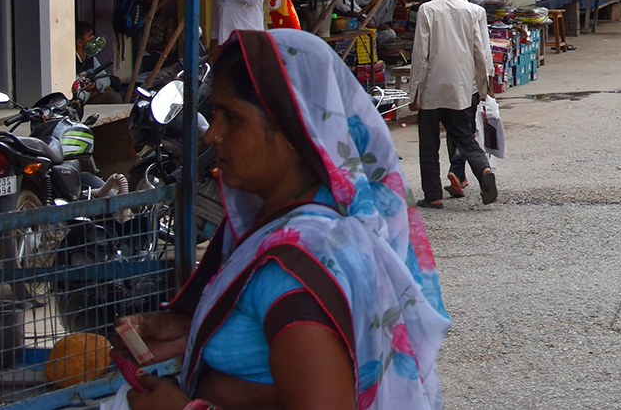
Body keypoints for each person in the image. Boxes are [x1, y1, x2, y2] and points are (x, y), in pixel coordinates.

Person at [109, 28, 448, 410]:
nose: (212, 135)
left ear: (291, 128)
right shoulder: (321, 224)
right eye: (213, 115)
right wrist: (191, 331)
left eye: (232, 118)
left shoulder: (295, 268)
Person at [409, 0, 496, 207]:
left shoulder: (427, 10)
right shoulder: (475, 11)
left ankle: (433, 195)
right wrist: (483, 87)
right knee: (464, 136)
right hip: (461, 87)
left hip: (431, 88)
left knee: (429, 143)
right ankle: (484, 171)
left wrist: (414, 92)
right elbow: (483, 53)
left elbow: (421, 56)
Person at [440, 0, 494, 202]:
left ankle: (458, 173)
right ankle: (468, 169)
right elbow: (484, 50)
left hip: (441, 81)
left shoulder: (432, 10)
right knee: (465, 129)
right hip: (469, 80)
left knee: (456, 128)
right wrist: (487, 80)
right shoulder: (475, 11)